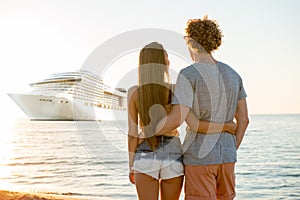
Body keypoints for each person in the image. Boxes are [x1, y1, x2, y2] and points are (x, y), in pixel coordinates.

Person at [127, 42, 237, 200]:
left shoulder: (134, 92)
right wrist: (226, 126)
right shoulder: (176, 89)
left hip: (145, 154)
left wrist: (131, 165)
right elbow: (192, 121)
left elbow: (132, 134)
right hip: (173, 154)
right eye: (167, 59)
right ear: (165, 64)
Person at [156, 16, 249, 200]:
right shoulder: (233, 75)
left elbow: (177, 119)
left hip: (199, 158)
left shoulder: (188, 75)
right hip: (227, 158)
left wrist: (150, 129)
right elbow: (244, 121)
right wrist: (231, 148)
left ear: (191, 42)